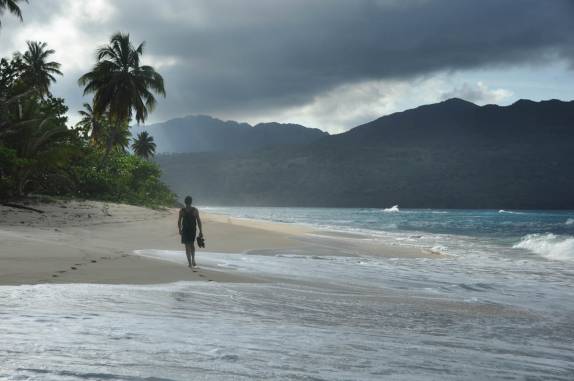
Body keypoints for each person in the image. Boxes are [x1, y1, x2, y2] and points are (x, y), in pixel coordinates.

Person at [177, 196, 203, 268]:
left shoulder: (182, 210)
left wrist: (179, 229)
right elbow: (198, 221)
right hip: (192, 230)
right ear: (191, 202)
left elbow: (179, 221)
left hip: (185, 230)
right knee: (192, 244)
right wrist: (200, 231)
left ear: (185, 202)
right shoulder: (195, 210)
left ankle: (189, 263)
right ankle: (193, 260)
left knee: (187, 246)